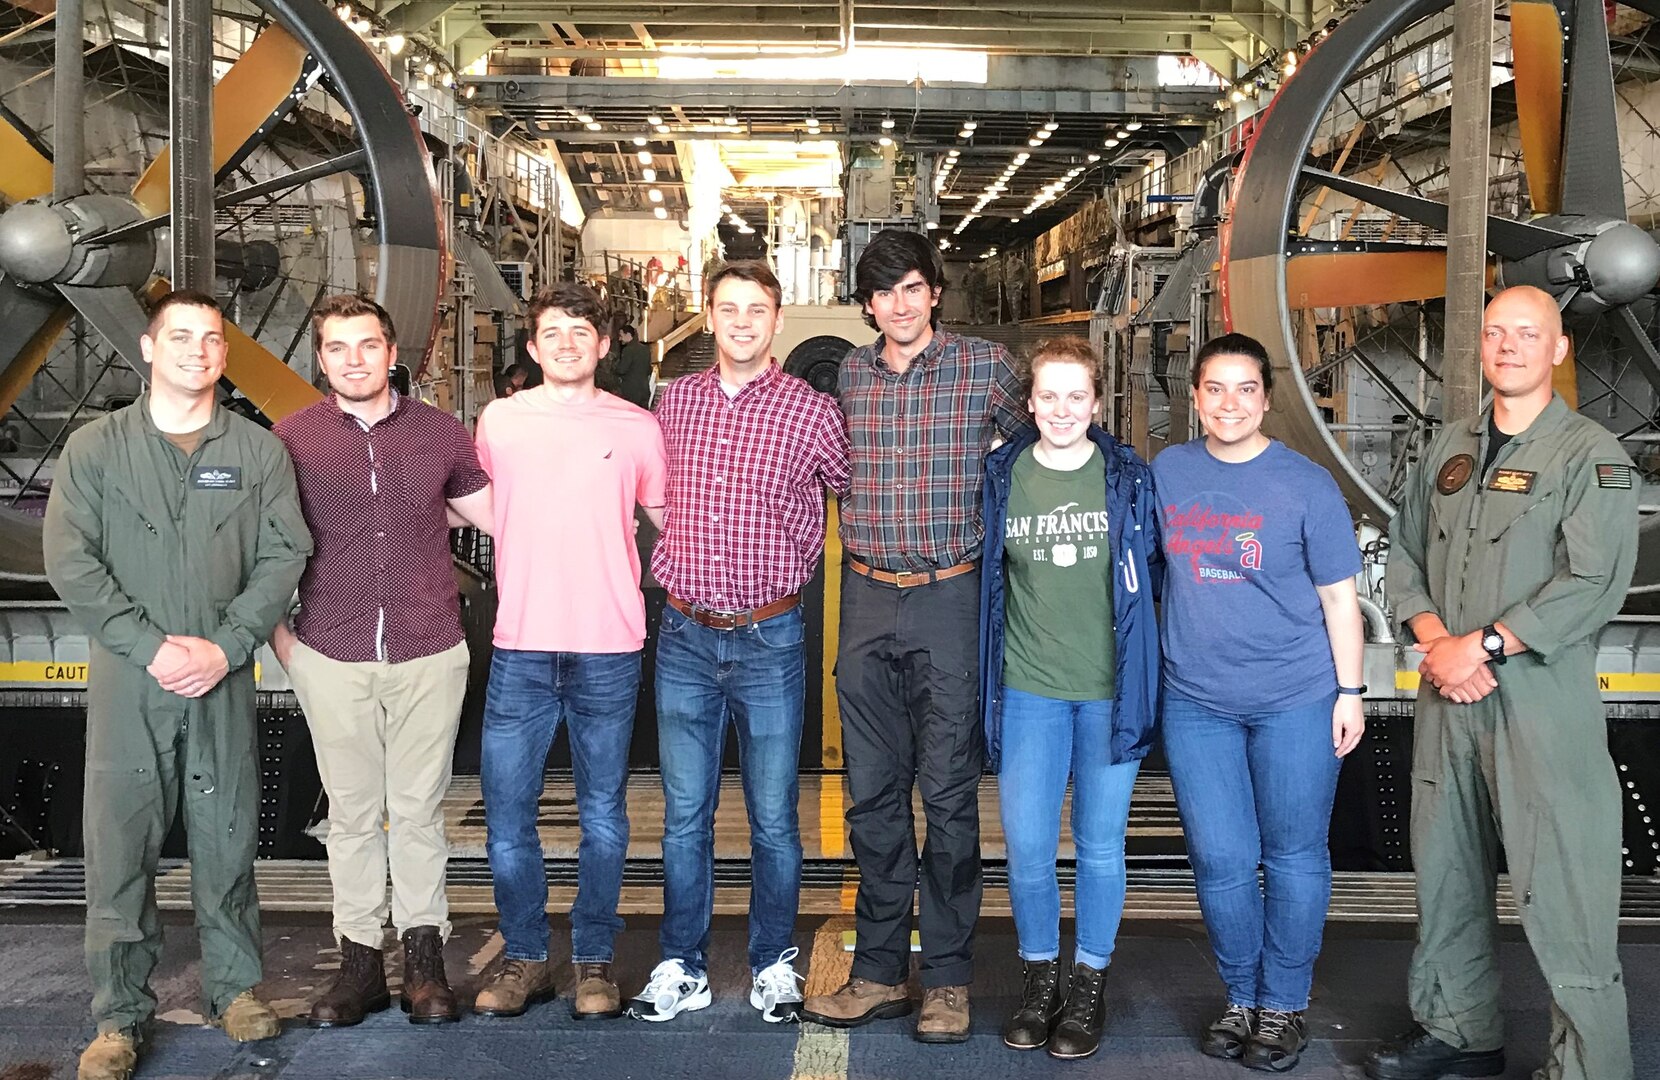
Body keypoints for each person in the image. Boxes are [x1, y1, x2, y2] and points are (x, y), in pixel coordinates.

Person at [1365, 286, 1638, 1080]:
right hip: (1447, 696)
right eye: (1495, 333)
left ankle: (1588, 1063)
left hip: (1538, 704)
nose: (1509, 346)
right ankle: (1459, 1029)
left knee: (1566, 887)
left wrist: (1480, 646)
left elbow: (1593, 581)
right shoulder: (1449, 447)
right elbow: (1404, 553)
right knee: (1446, 869)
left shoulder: (1593, 456)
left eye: (1528, 334)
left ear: (1558, 350)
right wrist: (1435, 644)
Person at [44, 290, 312, 1080]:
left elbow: (282, 556)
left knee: (226, 835)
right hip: (132, 678)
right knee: (120, 844)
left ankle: (236, 989)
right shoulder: (97, 449)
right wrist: (149, 647)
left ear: (226, 356)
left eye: (213, 339)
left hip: (222, 675)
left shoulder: (259, 454)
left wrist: (227, 647)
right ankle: (119, 1016)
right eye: (182, 336)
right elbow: (72, 562)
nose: (198, 350)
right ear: (150, 348)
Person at [800, 228, 1026, 1043]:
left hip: (948, 598)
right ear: (867, 305)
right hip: (864, 595)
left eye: (910, 289)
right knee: (872, 799)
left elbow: (1040, 449)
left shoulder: (988, 369)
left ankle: (951, 979)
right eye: (881, 293)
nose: (897, 305)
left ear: (934, 292)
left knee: (950, 796)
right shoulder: (850, 375)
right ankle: (879, 971)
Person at [630, 262, 850, 1024]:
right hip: (686, 633)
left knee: (774, 818)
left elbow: (861, 488)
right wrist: (690, 553)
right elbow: (651, 493)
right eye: (729, 309)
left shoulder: (812, 411)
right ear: (710, 317)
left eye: (757, 310)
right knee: (685, 814)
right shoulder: (674, 404)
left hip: (769, 636)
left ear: (778, 319)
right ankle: (681, 964)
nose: (743, 322)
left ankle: (772, 963)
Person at [270, 294, 493, 1028]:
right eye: (339, 348)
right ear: (322, 358)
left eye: (368, 345)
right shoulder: (291, 439)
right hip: (329, 653)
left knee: (420, 812)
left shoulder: (441, 434)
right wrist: (282, 641)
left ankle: (425, 964)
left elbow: (499, 515)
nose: (355, 360)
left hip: (429, 648)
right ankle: (360, 963)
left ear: (392, 353)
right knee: (354, 816)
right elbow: (261, 544)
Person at [1151, 332, 1366, 1072]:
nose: (1230, 403)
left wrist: (1350, 691)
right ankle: (1241, 995)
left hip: (1295, 696)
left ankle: (1283, 1005)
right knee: (1221, 858)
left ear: (1267, 399)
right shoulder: (1169, 473)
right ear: (1197, 398)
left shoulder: (1306, 484)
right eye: (1216, 388)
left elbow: (1342, 599)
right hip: (1196, 702)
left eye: (1246, 389)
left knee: (1295, 854)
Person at [471, 282, 666, 1021]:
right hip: (521, 644)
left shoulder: (638, 426)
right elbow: (474, 498)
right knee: (508, 818)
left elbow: (668, 517)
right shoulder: (500, 422)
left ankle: (593, 961)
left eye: (580, 332)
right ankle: (524, 958)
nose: (566, 343)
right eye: (552, 332)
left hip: (608, 646)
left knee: (605, 819)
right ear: (532, 346)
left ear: (605, 345)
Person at [980, 338, 1161, 1060]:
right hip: (1029, 690)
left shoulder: (1127, 478)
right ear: (1029, 403)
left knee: (1098, 847)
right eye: (1048, 396)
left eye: (1075, 396)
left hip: (1108, 693)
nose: (1061, 410)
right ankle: (1037, 979)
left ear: (1097, 402)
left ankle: (1088, 981)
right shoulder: (1002, 475)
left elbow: (1156, 580)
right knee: (1026, 847)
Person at [614, 324, 654, 410]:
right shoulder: (645, 349)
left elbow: (622, 370)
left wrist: (614, 368)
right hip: (644, 390)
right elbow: (648, 370)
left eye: (621, 336)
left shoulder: (628, 350)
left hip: (630, 391)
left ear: (628, 334)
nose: (619, 339)